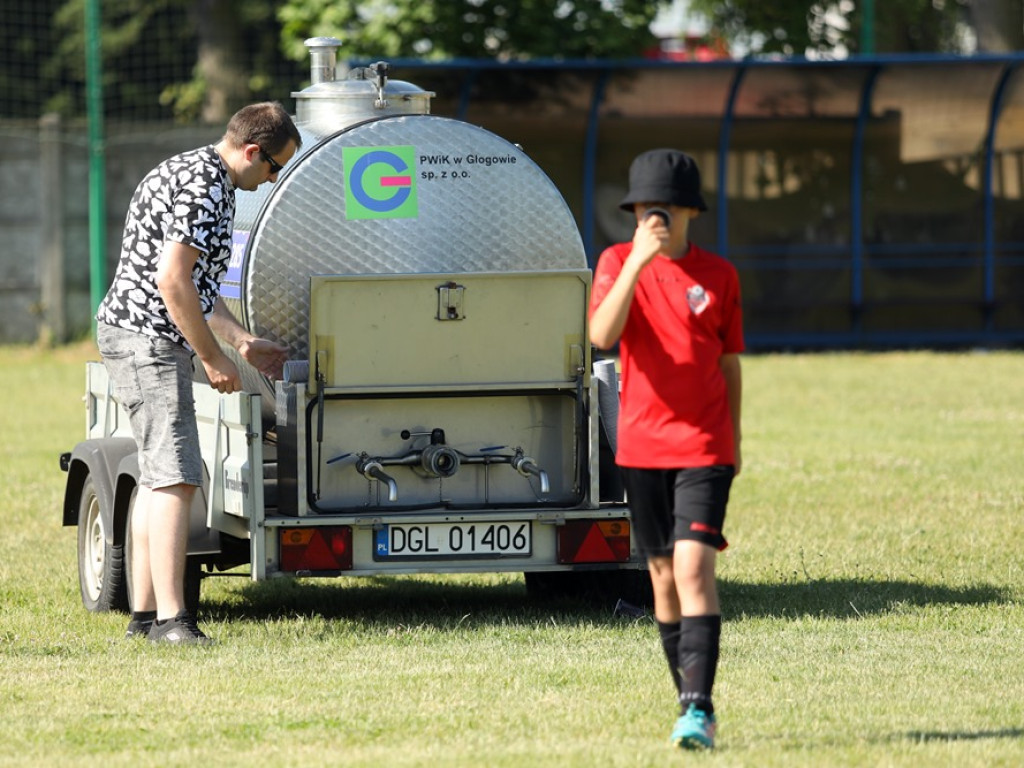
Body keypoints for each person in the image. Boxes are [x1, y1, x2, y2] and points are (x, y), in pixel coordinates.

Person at [95, 102, 302, 644]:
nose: (272, 178)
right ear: (252, 151)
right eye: (275, 166)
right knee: (178, 476)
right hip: (149, 341)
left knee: (157, 474)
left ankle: (143, 619)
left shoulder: (187, 169)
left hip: (133, 335)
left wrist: (243, 343)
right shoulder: (208, 188)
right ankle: (173, 621)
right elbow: (173, 282)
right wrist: (212, 359)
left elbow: (200, 292)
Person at [589, 149, 743, 750]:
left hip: (704, 445)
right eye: (643, 209)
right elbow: (602, 335)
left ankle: (699, 707)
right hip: (641, 445)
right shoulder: (616, 262)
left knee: (693, 567)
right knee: (661, 578)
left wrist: (735, 437)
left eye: (666, 209)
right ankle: (686, 699)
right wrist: (639, 263)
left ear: (689, 212)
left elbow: (729, 365)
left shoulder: (720, 275)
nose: (655, 218)